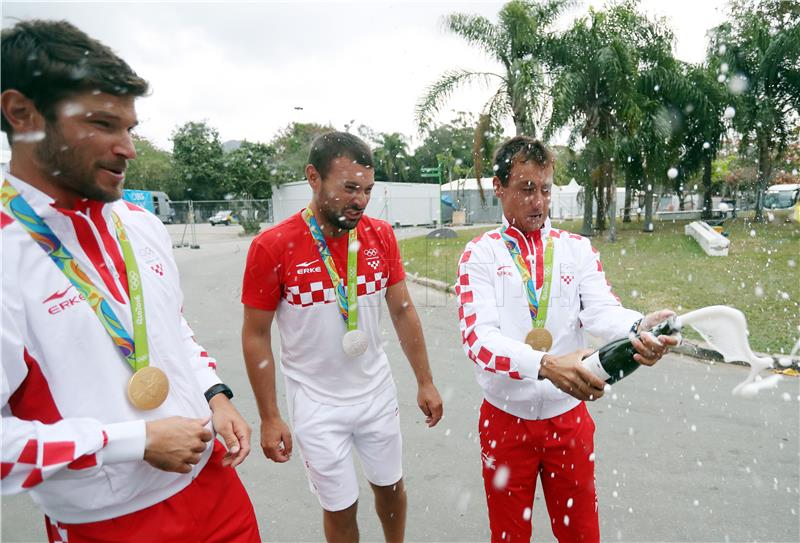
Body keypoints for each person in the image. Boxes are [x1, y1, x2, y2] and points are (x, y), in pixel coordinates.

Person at [0, 20, 260, 542]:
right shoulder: (7, 250)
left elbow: (172, 328)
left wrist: (215, 394)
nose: (128, 148)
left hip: (216, 488)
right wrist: (130, 441)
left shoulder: (138, 224)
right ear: (22, 115)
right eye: (103, 123)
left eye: (130, 128)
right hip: (109, 522)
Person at [456, 136, 678, 542]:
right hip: (506, 421)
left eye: (545, 189)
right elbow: (478, 339)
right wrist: (542, 364)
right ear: (498, 187)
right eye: (526, 189)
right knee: (509, 536)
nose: (538, 202)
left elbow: (601, 310)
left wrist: (637, 326)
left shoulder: (575, 248)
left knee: (581, 535)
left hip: (568, 420)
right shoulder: (480, 253)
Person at [242, 131, 443, 542]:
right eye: (349, 187)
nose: (360, 200)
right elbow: (256, 334)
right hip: (316, 405)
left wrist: (425, 379)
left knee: (391, 488)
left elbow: (402, 309)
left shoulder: (380, 235)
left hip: (376, 394)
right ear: (313, 178)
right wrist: (269, 415)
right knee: (340, 506)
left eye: (367, 189)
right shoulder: (273, 246)